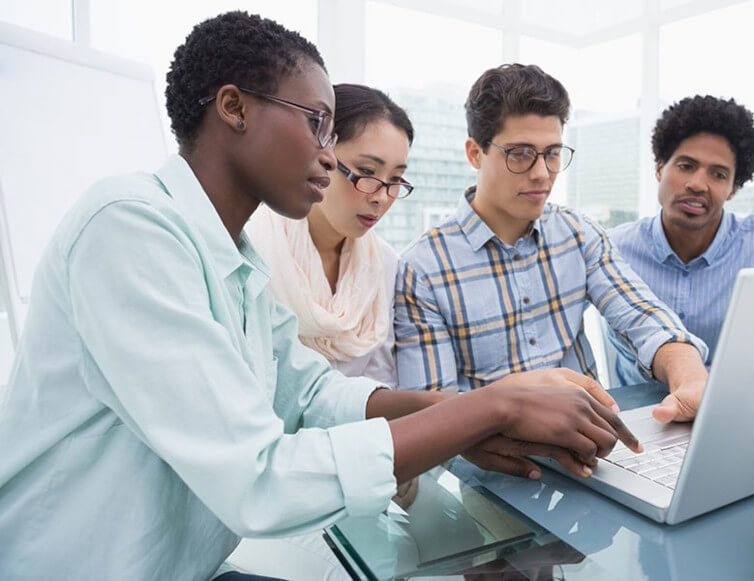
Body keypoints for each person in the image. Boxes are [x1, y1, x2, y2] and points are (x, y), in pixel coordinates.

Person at [0, 13, 637, 580]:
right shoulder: (128, 226)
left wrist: (466, 414)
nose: (329, 158)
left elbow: (309, 393)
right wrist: (488, 409)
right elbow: (258, 477)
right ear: (234, 106)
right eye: (318, 124)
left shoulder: (234, 258)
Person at [394, 63, 710, 424]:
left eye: (553, 153)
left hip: (596, 443)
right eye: (520, 153)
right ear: (474, 153)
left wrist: (691, 378)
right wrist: (510, 402)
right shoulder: (423, 269)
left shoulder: (577, 233)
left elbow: (644, 316)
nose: (542, 173)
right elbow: (431, 413)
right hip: (490, 468)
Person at [606, 95, 754, 384]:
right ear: (659, 168)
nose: (697, 184)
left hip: (733, 412)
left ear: (733, 189)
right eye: (685, 166)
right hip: (635, 418)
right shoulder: (612, 249)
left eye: (717, 174)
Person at [247, 83, 413, 387]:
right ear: (321, 154)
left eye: (395, 179)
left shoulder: (385, 263)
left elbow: (383, 378)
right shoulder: (254, 252)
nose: (381, 198)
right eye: (366, 172)